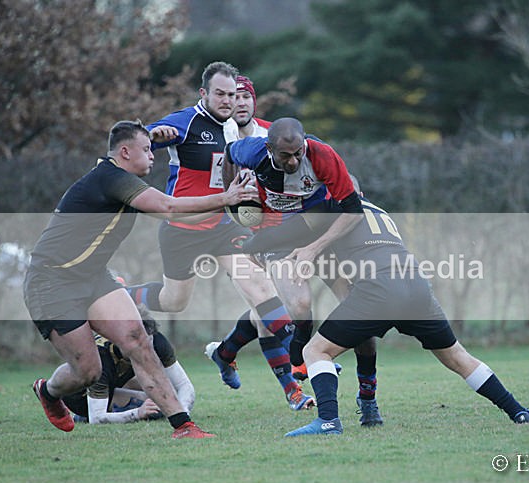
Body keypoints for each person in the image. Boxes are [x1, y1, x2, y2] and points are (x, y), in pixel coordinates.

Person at [24, 119, 256, 439]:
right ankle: (49, 392)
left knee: (139, 340)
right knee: (88, 371)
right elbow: (169, 207)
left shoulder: (121, 180)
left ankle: (183, 426)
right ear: (124, 152)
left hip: (93, 277)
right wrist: (226, 197)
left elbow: (183, 215)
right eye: (147, 150)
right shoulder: (110, 177)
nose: (152, 156)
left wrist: (227, 210)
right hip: (52, 282)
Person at [239, 193, 529, 436]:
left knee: (315, 351)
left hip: (379, 290)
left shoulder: (333, 207)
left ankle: (328, 421)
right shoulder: (378, 210)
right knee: (458, 357)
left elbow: (285, 233)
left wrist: (251, 244)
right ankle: (520, 412)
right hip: (416, 286)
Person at [122, 63, 314, 411]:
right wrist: (154, 135)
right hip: (182, 230)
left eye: (234, 95)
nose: (229, 101)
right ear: (204, 94)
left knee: (261, 290)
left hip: (224, 226)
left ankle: (298, 370)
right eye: (222, 94)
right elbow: (139, 141)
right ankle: (123, 294)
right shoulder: (187, 121)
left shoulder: (241, 130)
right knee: (174, 301)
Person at [222, 117, 385, 426]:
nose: (294, 161)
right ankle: (299, 356)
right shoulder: (253, 151)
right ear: (269, 149)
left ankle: (368, 397)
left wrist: (314, 248)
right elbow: (230, 152)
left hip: (323, 234)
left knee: (360, 316)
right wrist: (231, 195)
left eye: (298, 153)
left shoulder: (321, 155)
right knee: (299, 304)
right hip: (280, 238)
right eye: (286, 155)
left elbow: (353, 209)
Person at [62, 306, 194, 425]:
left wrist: (182, 412)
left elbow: (183, 385)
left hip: (115, 384)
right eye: (136, 343)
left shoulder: (156, 341)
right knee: (154, 410)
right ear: (119, 339)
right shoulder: (100, 358)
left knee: (168, 398)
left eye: (145, 342)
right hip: (81, 398)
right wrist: (137, 413)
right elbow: (96, 418)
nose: (142, 348)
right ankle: (81, 416)